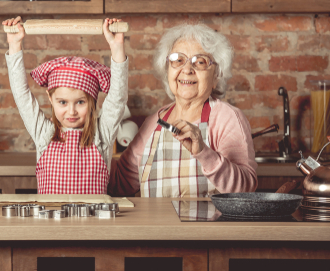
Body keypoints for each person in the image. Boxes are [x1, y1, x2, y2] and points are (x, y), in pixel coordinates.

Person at [108, 23, 258, 197]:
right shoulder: (153, 123)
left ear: (216, 76)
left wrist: (204, 153)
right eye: (178, 60)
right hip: (157, 225)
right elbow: (120, 183)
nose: (187, 69)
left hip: (208, 224)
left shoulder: (226, 118)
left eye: (200, 62)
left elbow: (245, 190)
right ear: (167, 71)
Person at [3, 16, 128, 194]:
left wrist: (117, 47)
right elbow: (21, 95)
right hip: (51, 222)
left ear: (92, 102)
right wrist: (15, 46)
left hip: (94, 222)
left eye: (80, 102)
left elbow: (117, 98)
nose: (71, 111)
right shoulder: (44, 134)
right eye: (62, 102)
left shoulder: (102, 135)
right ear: (50, 98)